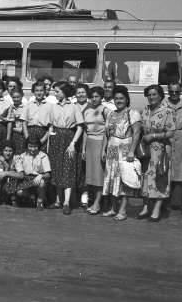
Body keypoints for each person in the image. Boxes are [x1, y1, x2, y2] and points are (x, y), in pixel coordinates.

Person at [101, 85, 142, 220]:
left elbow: (136, 132)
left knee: (124, 180)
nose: (119, 101)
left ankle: (123, 210)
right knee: (112, 179)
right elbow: (106, 134)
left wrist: (131, 151)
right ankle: (114, 208)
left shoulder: (132, 113)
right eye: (116, 98)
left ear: (127, 99)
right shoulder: (110, 114)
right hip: (111, 150)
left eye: (121, 98)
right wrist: (103, 150)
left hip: (125, 150)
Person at [136, 84, 175, 222]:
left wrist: (153, 136)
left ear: (160, 96)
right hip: (145, 150)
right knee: (145, 177)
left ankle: (156, 210)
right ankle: (146, 208)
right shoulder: (144, 110)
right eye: (149, 95)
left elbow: (170, 132)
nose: (151, 97)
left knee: (159, 178)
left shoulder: (167, 111)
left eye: (154, 94)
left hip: (160, 149)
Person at [47, 81, 84, 215]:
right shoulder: (53, 107)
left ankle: (66, 202)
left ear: (64, 92)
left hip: (69, 138)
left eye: (57, 91)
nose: (55, 94)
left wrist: (73, 143)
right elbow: (50, 126)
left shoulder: (74, 107)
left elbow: (80, 127)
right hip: (56, 139)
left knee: (68, 169)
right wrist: (50, 142)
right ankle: (58, 200)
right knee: (57, 169)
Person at [162, 82, 182, 211]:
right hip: (166, 138)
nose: (174, 94)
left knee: (179, 169)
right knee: (165, 168)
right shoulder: (162, 105)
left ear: (181, 91)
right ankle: (163, 201)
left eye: (177, 91)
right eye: (171, 91)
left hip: (181, 138)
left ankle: (176, 202)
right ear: (168, 91)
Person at [82, 86, 109, 214]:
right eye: (92, 96)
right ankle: (95, 202)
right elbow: (85, 130)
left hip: (100, 143)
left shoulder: (106, 110)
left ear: (101, 97)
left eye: (96, 96)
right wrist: (83, 148)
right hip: (89, 144)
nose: (94, 99)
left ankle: (97, 203)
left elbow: (107, 132)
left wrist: (103, 149)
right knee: (91, 176)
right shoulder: (87, 111)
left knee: (98, 175)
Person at [14, 135, 52, 211]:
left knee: (41, 182)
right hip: (27, 179)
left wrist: (41, 176)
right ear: (27, 146)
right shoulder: (22, 156)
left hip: (39, 178)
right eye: (30, 146)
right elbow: (20, 173)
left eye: (35, 146)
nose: (33, 149)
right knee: (19, 192)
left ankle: (39, 202)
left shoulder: (43, 156)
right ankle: (32, 196)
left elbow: (48, 174)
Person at [22, 81, 53, 152]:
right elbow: (24, 122)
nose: (39, 93)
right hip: (29, 134)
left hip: (43, 135)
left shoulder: (50, 106)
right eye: (36, 90)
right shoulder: (28, 105)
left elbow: (51, 126)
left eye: (41, 90)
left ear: (45, 91)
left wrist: (42, 140)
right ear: (33, 91)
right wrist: (27, 138)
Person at [0, 141, 26, 206]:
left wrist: (6, 173)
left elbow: (21, 175)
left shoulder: (16, 158)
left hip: (15, 183)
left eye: (10, 151)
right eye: (6, 151)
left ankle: (14, 199)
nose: (8, 153)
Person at [9, 88, 27, 154]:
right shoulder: (9, 107)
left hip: (23, 134)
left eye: (18, 97)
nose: (16, 99)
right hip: (12, 134)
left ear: (22, 95)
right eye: (14, 97)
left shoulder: (26, 107)